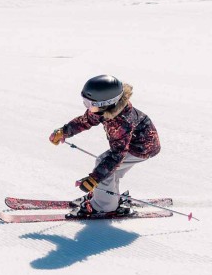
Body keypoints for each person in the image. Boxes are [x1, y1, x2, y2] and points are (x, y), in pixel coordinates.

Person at [49, 75, 161, 218]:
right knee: (107, 168)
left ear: (107, 103)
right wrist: (64, 131)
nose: (88, 107)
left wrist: (95, 179)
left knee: (105, 164)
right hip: (132, 144)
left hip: (142, 147)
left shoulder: (120, 122)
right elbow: (86, 120)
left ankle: (104, 206)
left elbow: (117, 155)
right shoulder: (106, 109)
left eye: (90, 103)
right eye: (85, 102)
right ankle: (107, 197)